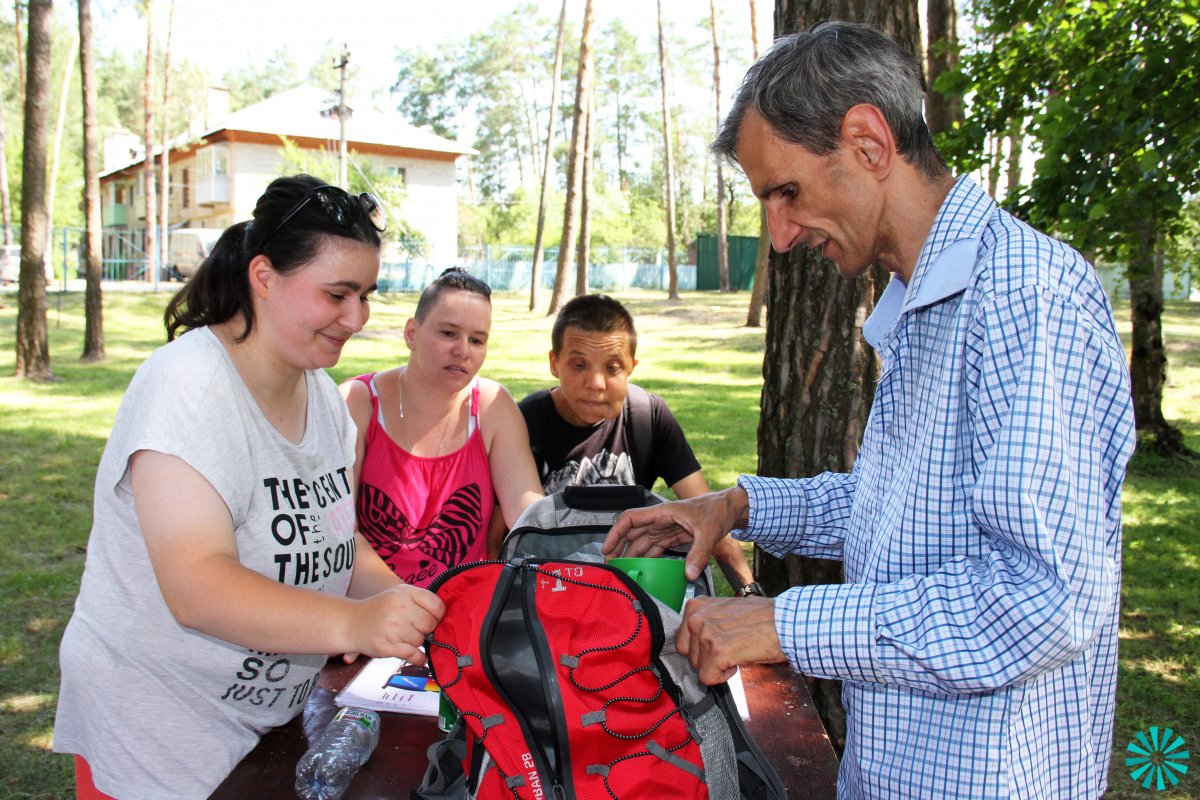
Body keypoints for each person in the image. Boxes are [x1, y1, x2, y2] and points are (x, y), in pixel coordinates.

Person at [602, 21, 1136, 800]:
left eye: (786, 191)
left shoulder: (1024, 296)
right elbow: (906, 510)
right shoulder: (924, 301)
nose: (779, 236)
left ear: (868, 143)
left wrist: (784, 624)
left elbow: (1044, 600)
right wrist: (737, 506)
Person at [53, 175, 446, 800]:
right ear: (263, 276)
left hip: (261, 720)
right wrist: (354, 625)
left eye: (366, 295)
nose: (357, 318)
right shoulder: (188, 386)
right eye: (337, 294)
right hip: (158, 724)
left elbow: (336, 541)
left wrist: (409, 604)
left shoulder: (320, 393)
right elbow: (198, 587)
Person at [520, 293, 758, 595]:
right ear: (554, 363)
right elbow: (504, 532)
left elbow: (709, 513)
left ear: (631, 367)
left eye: (612, 368)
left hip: (632, 589)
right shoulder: (527, 421)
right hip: (553, 587)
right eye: (579, 365)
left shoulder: (648, 416)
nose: (595, 383)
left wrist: (748, 592)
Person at [340, 268, 543, 588]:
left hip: (469, 612)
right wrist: (407, 605)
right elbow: (339, 535)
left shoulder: (492, 406)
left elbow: (528, 515)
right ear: (411, 333)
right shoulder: (357, 401)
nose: (463, 350)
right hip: (371, 610)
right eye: (449, 333)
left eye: (477, 340)